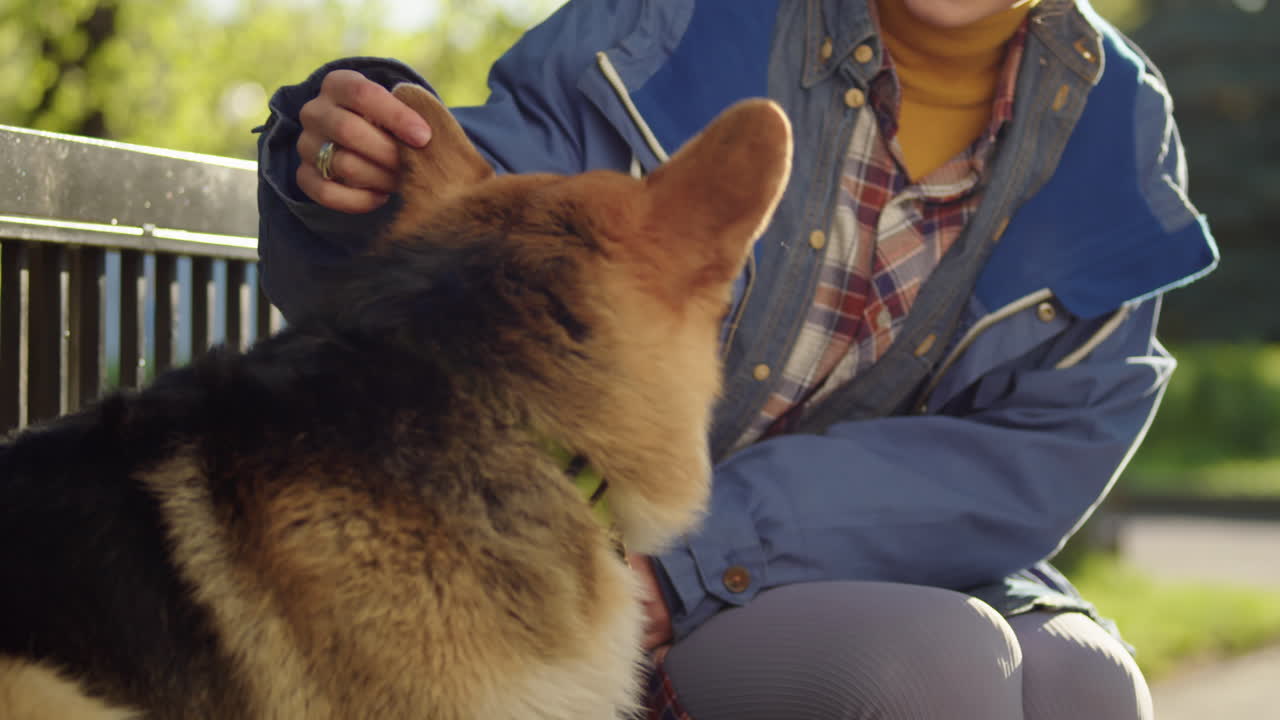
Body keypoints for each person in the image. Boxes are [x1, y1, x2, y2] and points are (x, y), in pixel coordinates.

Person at [255, 0, 1217, 717]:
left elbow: (1048, 446)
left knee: (1092, 685)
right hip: (603, 554)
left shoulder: (1117, 120)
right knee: (933, 666)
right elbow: (487, 220)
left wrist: (720, 554)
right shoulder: (684, 15)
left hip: (878, 553)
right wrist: (361, 170)